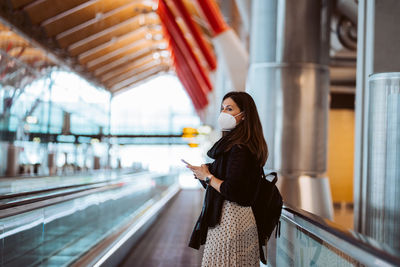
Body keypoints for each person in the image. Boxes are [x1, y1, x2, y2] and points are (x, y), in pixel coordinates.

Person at [187, 91, 269, 267]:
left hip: (231, 223)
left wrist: (208, 177)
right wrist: (204, 175)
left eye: (229, 109)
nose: (223, 113)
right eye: (222, 108)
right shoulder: (235, 145)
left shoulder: (240, 148)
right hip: (232, 221)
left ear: (244, 115)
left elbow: (233, 190)